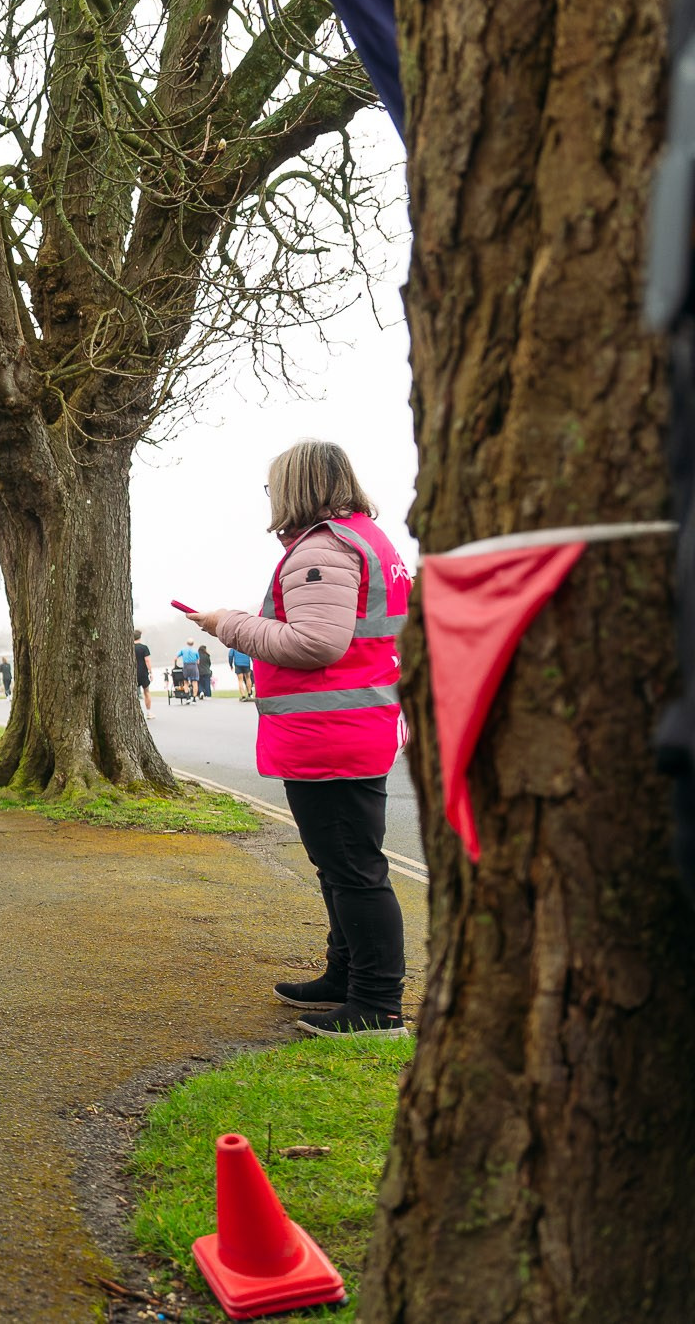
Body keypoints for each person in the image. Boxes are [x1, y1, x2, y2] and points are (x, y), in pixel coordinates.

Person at [188, 439, 410, 1038]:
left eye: (272, 487)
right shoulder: (368, 539)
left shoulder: (324, 550)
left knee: (353, 869)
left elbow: (317, 644)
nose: (271, 499)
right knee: (339, 864)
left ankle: (376, 1003)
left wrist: (227, 623)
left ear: (297, 486)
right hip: (352, 725)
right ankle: (347, 976)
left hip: (332, 732)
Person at [133, 630, 152, 716]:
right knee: (146, 692)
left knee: (133, 693)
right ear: (140, 637)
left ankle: (135, 712)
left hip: (133, 672)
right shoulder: (144, 648)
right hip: (143, 672)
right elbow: (147, 660)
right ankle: (148, 712)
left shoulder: (130, 647)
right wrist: (151, 672)